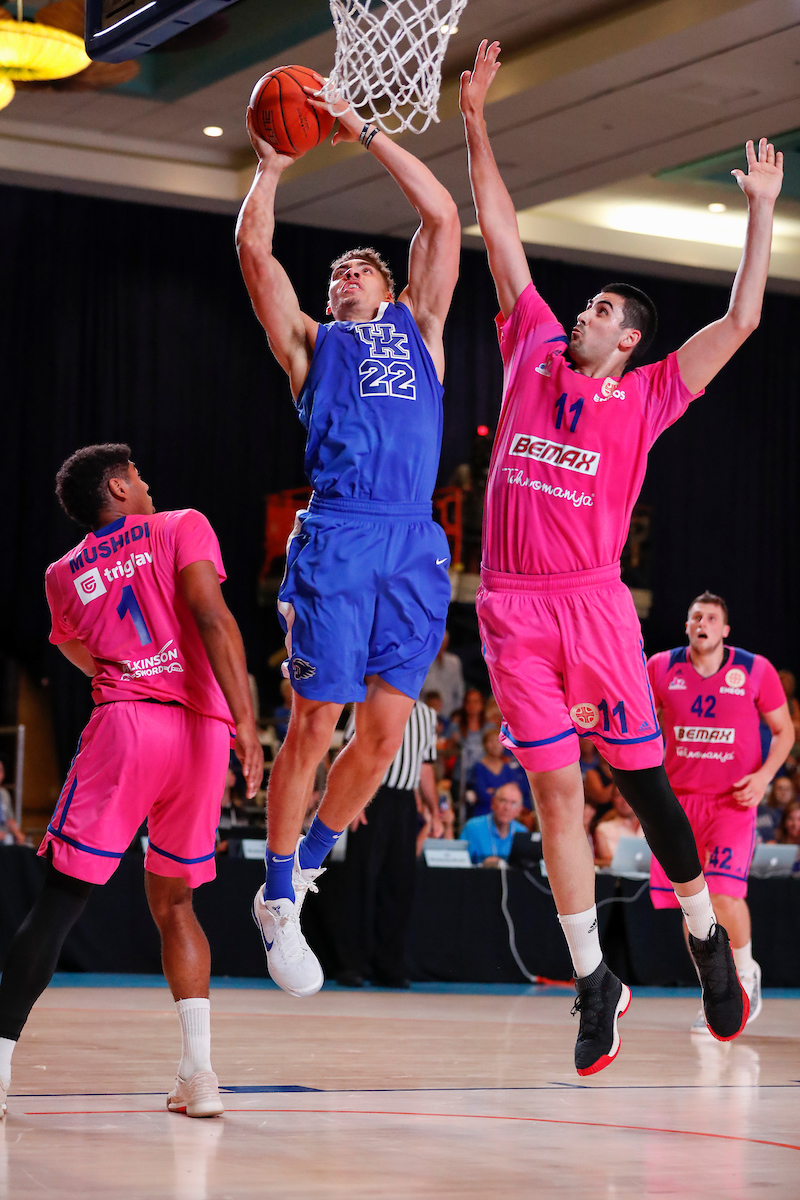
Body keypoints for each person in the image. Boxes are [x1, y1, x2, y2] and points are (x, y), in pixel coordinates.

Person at [460, 39, 784, 1074]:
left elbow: (739, 319)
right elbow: (500, 230)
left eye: (602, 309)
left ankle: (701, 938)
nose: (582, 311)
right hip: (510, 607)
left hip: (592, 606)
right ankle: (593, 980)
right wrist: (474, 117)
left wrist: (758, 210)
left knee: (642, 795)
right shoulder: (529, 348)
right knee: (556, 795)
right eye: (584, 304)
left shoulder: (644, 397)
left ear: (629, 340)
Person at [236, 88, 460, 999]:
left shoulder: (424, 329)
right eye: (334, 277)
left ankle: (312, 857)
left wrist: (363, 130)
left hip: (412, 540)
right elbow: (255, 251)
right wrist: (273, 167)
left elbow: (441, 215)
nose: (342, 280)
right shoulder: (310, 344)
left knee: (383, 736)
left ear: (390, 286)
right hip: (336, 532)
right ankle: (278, 893)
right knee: (316, 724)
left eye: (356, 271)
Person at [0, 444, 263, 1122]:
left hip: (129, 725)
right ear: (117, 487)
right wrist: (247, 723)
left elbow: (79, 653)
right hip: (201, 733)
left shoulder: (62, 574)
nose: (148, 483)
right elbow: (212, 617)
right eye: (139, 475)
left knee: (59, 903)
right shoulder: (181, 525)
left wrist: (131, 667)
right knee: (176, 904)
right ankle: (199, 1074)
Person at [648, 592, 793, 1032]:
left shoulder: (754, 669)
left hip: (732, 801)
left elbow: (784, 731)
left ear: (725, 629)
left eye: (712, 617)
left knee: (726, 895)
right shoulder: (660, 667)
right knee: (693, 907)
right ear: (687, 626)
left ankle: (745, 974)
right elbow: (636, 722)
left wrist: (765, 776)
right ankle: (716, 993)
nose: (703, 622)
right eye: (696, 616)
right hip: (678, 803)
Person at [335, 698, 441, 988]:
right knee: (361, 881)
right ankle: (352, 964)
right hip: (370, 796)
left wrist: (433, 808)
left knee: (398, 884)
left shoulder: (427, 715)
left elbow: (425, 767)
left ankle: (389, 966)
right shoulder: (368, 702)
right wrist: (352, 802)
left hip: (405, 803)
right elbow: (349, 752)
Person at [468, 727, 531, 816]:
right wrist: (503, 795)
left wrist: (493, 791)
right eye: (491, 741)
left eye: (498, 742)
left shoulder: (507, 768)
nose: (495, 745)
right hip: (484, 814)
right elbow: (483, 796)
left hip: (506, 814)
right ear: (484, 744)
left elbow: (514, 793)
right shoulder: (478, 768)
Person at [462, 783, 528, 866]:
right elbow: (459, 865)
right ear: (493, 803)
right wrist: (482, 865)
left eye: (513, 803)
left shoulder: (522, 832)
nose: (507, 807)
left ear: (519, 810)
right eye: (503, 800)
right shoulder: (473, 827)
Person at [593, 791, 644, 868]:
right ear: (612, 800)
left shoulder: (652, 827)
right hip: (617, 878)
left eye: (628, 795)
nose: (625, 799)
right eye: (619, 795)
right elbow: (606, 861)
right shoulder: (604, 828)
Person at [422, 631, 465, 719]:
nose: (440, 645)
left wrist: (458, 713)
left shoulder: (454, 662)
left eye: (443, 642)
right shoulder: (424, 661)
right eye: (438, 642)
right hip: (426, 711)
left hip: (449, 713)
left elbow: (459, 690)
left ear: (447, 643)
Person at [756, 776, 796, 843]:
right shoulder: (761, 811)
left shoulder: (797, 812)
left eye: (787, 789)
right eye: (780, 788)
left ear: (792, 792)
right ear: (773, 790)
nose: (784, 792)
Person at [0, 761, 25, 846]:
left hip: (6, 838)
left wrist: (19, 834)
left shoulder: (4, 794)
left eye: (0, 771)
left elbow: (10, 820)